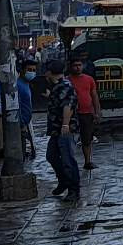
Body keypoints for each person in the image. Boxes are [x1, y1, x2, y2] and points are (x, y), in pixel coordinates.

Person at [43, 61, 82, 201]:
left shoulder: (65, 85)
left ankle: (73, 189)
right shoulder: (56, 86)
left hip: (65, 129)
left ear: (50, 71)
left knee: (67, 159)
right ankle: (63, 180)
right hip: (55, 129)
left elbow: (68, 106)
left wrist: (65, 124)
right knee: (51, 155)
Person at [68, 58, 98, 170]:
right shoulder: (67, 81)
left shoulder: (89, 79)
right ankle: (70, 162)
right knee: (71, 139)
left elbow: (94, 96)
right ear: (71, 66)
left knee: (87, 138)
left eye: (79, 65)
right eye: (75, 65)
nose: (77, 67)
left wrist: (97, 112)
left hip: (87, 113)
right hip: (73, 114)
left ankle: (88, 161)